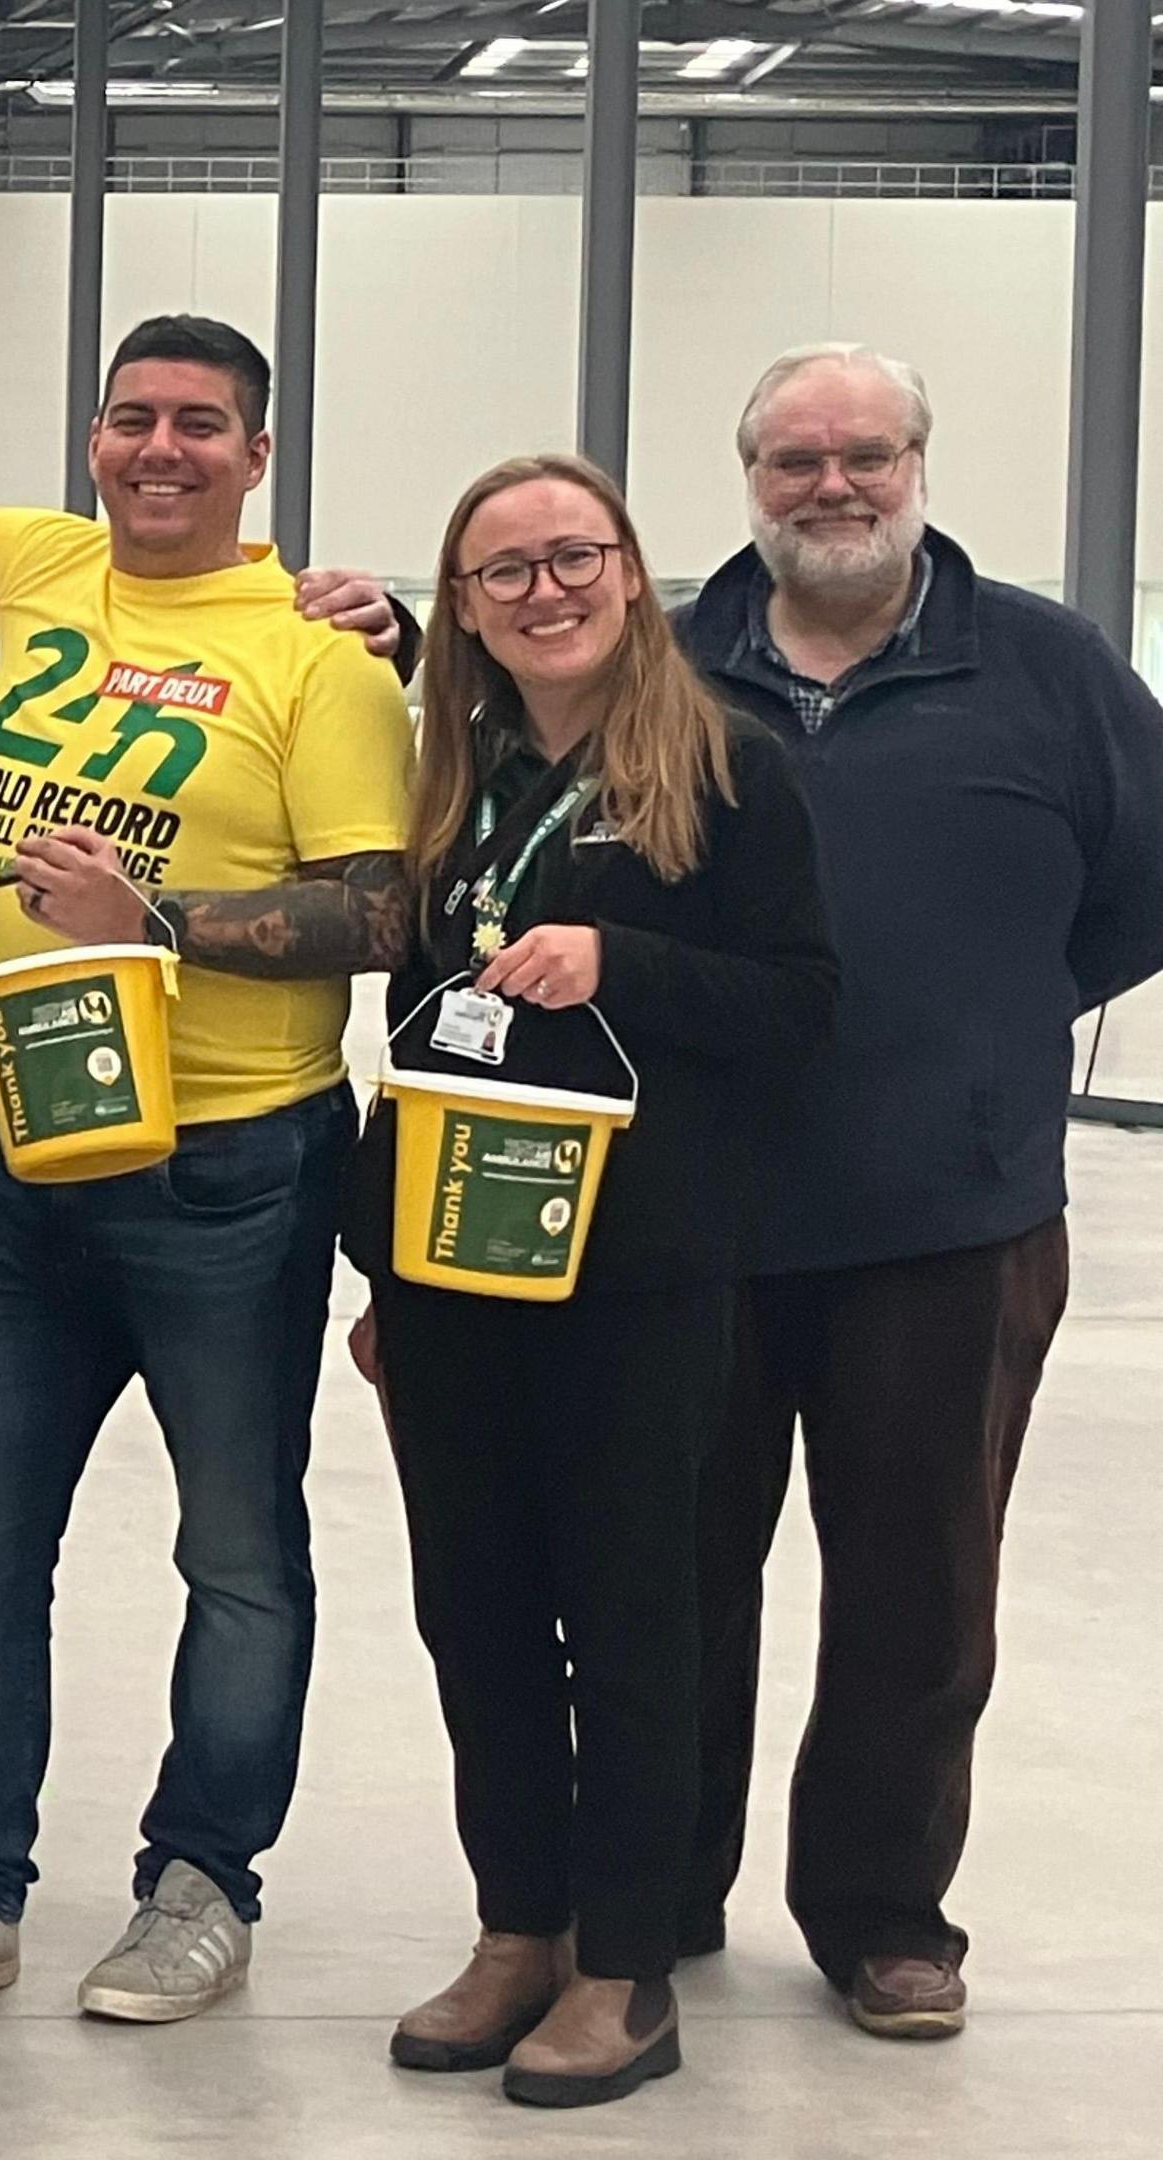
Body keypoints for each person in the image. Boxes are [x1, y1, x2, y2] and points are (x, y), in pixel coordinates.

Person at [0, 314, 412, 2024]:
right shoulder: (27, 559)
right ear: (92, 439)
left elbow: (379, 909)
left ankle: (202, 1884)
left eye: (202, 425)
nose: (160, 451)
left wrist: (160, 921)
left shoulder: (321, 660)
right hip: (20, 1151)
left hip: (231, 1170)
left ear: (259, 455)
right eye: (132, 420)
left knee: (238, 1549)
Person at [669, 347, 1163, 2036]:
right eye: (796, 458)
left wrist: (996, 1020)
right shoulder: (665, 666)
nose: (833, 485)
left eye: (863, 454)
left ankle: (883, 1912)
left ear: (918, 463)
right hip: (696, 1219)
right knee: (669, 1572)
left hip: (951, 1220)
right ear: (749, 475)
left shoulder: (1048, 666)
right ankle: (656, 1887)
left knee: (922, 1590)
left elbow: (1141, 890)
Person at [350, 455, 835, 2108]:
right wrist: (381, 1265)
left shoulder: (728, 775)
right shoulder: (451, 784)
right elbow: (421, 1039)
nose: (544, 591)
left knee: (630, 1621)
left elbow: (799, 1009)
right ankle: (519, 1928)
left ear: (632, 574)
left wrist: (620, 962)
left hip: (639, 1280)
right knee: (472, 1612)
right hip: (456, 1274)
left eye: (575, 557)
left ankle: (624, 1965)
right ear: (463, 609)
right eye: (505, 572)